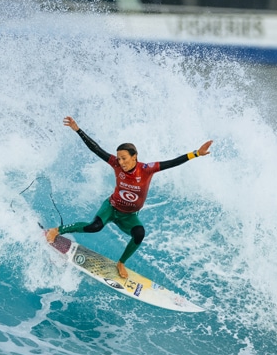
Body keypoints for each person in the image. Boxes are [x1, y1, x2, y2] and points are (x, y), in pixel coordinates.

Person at [46, 116, 212, 279]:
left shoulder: (147, 169)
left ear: (134, 157)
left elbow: (173, 162)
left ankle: (121, 263)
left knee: (139, 234)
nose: (121, 162)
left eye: (124, 158)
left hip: (129, 216)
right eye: (119, 158)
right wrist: (78, 130)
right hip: (111, 208)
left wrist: (196, 153)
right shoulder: (116, 164)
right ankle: (57, 230)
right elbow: (96, 149)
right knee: (94, 226)